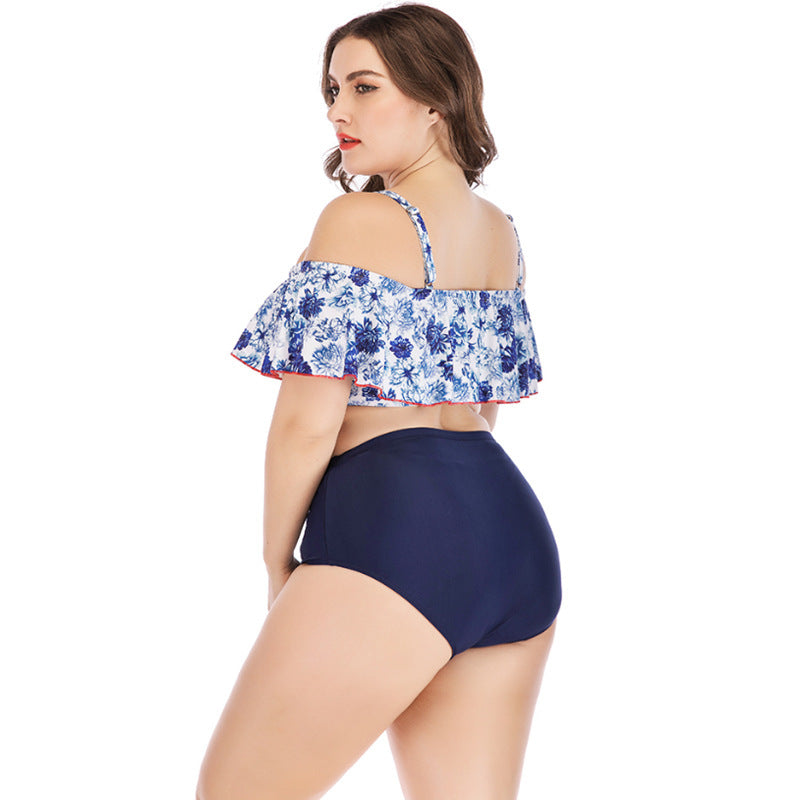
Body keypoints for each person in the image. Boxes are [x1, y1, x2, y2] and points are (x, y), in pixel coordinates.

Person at [196, 4, 562, 799]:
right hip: (511, 542)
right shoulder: (500, 233)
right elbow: (483, 407)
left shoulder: (359, 219)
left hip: (394, 533)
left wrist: (277, 563)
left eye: (365, 87)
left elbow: (307, 422)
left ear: (436, 98)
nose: (339, 110)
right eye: (332, 89)